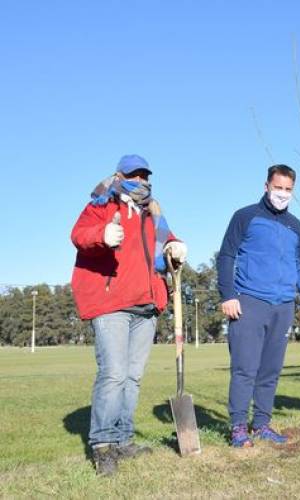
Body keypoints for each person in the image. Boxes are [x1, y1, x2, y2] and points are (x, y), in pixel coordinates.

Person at [71, 154, 187, 476]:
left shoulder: (153, 213)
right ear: (119, 175)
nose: (141, 181)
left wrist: (175, 247)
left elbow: (166, 242)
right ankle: (103, 446)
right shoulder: (102, 204)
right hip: (112, 304)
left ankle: (124, 441)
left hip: (146, 306)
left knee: (133, 377)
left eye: (145, 176)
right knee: (114, 374)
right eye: (134, 175)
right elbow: (78, 234)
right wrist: (103, 234)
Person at [217, 164, 300, 448]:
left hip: (283, 306)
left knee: (270, 370)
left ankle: (261, 424)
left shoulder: (295, 225)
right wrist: (228, 295)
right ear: (266, 186)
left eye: (288, 190)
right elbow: (226, 256)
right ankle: (237, 427)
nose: (282, 194)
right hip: (249, 302)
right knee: (245, 368)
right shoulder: (246, 216)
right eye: (278, 188)